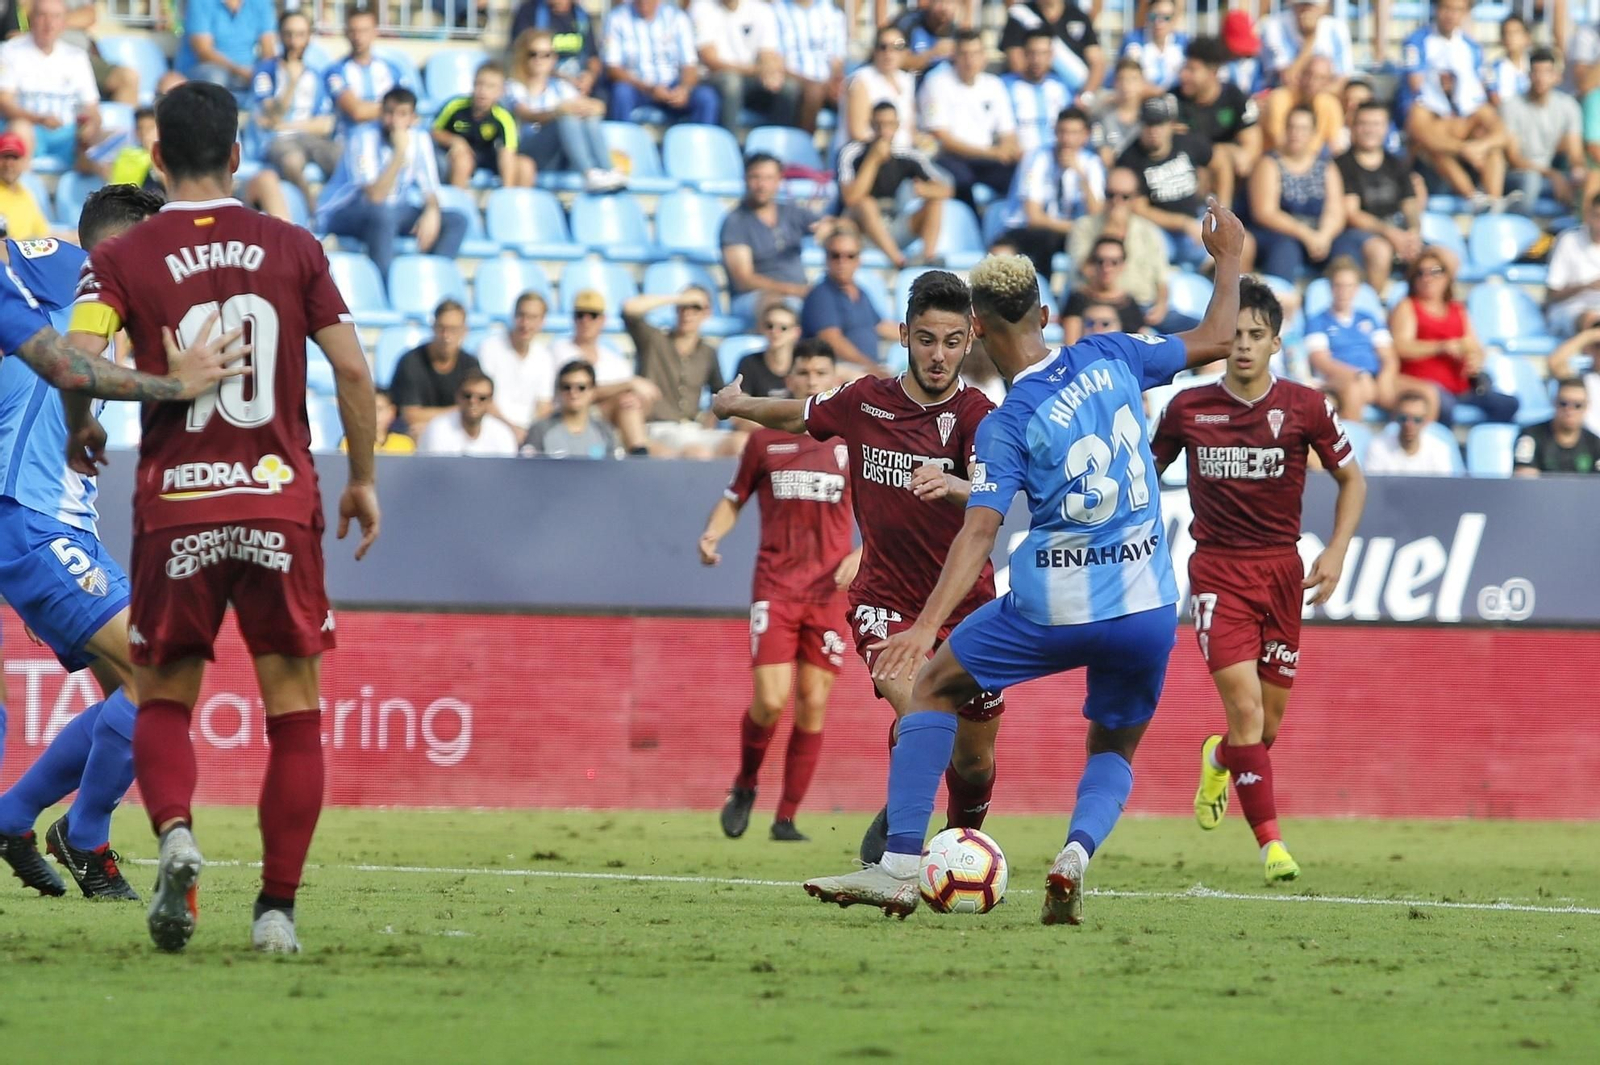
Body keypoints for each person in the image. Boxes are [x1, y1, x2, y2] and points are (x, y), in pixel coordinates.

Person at [793, 204, 1248, 921]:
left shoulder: (1007, 422)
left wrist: (925, 626)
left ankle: (900, 864)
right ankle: (1074, 853)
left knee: (936, 683)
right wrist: (1230, 257)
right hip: (1150, 603)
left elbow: (978, 534)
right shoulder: (1112, 351)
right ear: (1043, 309)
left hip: (1060, 603)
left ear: (975, 329)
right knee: (1113, 742)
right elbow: (1219, 336)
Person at [67, 80, 380, 954]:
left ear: (156, 159)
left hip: (177, 508)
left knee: (163, 695)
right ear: (240, 154)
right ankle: (276, 912)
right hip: (281, 506)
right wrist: (362, 479)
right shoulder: (295, 245)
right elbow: (354, 374)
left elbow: (78, 363)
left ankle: (173, 832)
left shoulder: (123, 255)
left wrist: (85, 427)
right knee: (295, 708)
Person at [712, 270, 1009, 870]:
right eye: (926, 339)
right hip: (887, 601)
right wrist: (738, 405)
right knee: (925, 708)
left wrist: (954, 485)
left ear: (971, 339)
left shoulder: (980, 416)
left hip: (967, 607)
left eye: (952, 342)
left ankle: (958, 850)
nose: (939, 354)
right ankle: (907, 836)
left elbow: (995, 496)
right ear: (904, 334)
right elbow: (800, 414)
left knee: (974, 761)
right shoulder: (865, 399)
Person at [0, 186, 192, 902]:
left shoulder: (95, 317)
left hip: (58, 524)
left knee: (131, 692)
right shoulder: (68, 264)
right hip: (32, 520)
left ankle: (17, 817)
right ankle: (82, 838)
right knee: (156, 675)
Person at [1152, 276, 1366, 885]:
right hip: (1217, 572)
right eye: (1235, 335)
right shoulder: (1187, 408)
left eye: (1255, 335)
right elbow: (1143, 475)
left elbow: (1354, 480)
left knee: (1262, 731)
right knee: (1246, 710)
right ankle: (1272, 845)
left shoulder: (1305, 405)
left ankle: (1217, 758)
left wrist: (1338, 549)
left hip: (1283, 572)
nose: (1243, 345)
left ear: (1275, 342)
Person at [701, 342, 856, 842]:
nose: (811, 380)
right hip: (777, 587)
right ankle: (745, 782)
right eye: (803, 372)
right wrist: (712, 534)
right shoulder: (764, 440)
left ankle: (786, 817)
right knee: (770, 700)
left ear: (834, 379)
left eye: (820, 372)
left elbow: (884, 514)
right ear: (790, 381)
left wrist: (863, 554)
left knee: (812, 700)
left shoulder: (854, 442)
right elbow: (733, 499)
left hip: (829, 591)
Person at [315, 87, 469, 281]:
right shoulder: (363, 138)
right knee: (383, 215)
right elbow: (375, 195)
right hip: (345, 209)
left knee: (457, 220)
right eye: (389, 113)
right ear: (381, 113)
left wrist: (432, 211)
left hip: (393, 209)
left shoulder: (419, 139)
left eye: (402, 114)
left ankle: (434, 279)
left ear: (412, 118)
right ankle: (384, 285)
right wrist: (399, 153)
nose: (394, 121)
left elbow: (430, 187)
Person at [1401, 0, 1510, 211]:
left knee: (1494, 143)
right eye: (1446, 8)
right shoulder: (1417, 42)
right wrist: (1462, 148)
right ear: (1436, 9)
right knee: (1434, 144)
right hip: (1434, 129)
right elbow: (1417, 91)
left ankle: (1494, 204)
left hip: (1460, 125)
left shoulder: (1472, 47)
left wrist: (1478, 146)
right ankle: (1473, 197)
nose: (1451, 15)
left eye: (1458, 10)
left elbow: (1483, 104)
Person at [1389, 251, 1519, 425]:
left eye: (1435, 271)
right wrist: (1440, 347)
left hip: (1460, 386)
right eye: (1421, 273)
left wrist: (1475, 359)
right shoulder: (1408, 306)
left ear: (1446, 277)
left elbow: (1474, 345)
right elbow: (1401, 346)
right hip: (1426, 386)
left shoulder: (1457, 309)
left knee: (1508, 404)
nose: (1428, 278)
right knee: (1444, 406)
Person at [505, 28, 624, 195]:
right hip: (530, 149)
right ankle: (589, 173)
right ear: (523, 56)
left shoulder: (560, 86)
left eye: (546, 54)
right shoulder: (514, 87)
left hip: (559, 152)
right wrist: (557, 112)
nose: (539, 60)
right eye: (533, 54)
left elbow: (590, 106)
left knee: (587, 116)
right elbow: (526, 114)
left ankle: (607, 169)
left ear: (554, 58)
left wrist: (592, 107)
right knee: (566, 118)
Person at [836, 103, 950, 270]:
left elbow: (946, 189)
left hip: (893, 223)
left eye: (889, 124)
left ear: (897, 125)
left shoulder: (906, 155)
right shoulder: (852, 152)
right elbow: (850, 198)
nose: (884, 130)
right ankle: (899, 262)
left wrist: (925, 190)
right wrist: (873, 160)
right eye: (879, 124)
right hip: (860, 230)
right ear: (871, 125)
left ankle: (928, 257)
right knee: (865, 204)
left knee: (935, 202)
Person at [622, 286, 731, 459]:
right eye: (683, 307)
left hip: (693, 429)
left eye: (695, 307)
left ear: (707, 312)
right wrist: (677, 298)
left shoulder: (708, 351)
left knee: (742, 444)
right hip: (659, 427)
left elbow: (719, 392)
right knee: (698, 453)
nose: (687, 313)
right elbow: (629, 309)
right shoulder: (655, 339)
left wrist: (709, 422)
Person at [920, 30, 1022, 211]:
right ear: (954, 56)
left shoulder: (993, 84)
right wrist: (992, 153)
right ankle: (972, 229)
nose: (970, 60)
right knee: (963, 181)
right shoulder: (936, 82)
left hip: (985, 157)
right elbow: (942, 138)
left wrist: (1008, 149)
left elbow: (1008, 131)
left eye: (975, 54)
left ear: (984, 56)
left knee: (1019, 174)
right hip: (949, 157)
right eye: (964, 54)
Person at [999, 106, 1104, 277]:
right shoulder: (1036, 159)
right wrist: (1077, 228)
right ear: (1055, 132)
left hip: (1067, 232)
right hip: (1024, 230)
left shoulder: (1091, 163)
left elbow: (1097, 213)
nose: (1067, 139)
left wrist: (1081, 177)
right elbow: (1034, 218)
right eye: (1063, 132)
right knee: (1046, 239)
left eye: (1074, 133)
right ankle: (1042, 290)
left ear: (1086, 136)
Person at [721, 152, 827, 320]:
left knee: (832, 302)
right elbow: (744, 280)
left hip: (797, 295)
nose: (762, 185)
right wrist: (795, 291)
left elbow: (833, 224)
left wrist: (828, 228)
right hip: (753, 298)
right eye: (755, 177)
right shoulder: (735, 222)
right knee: (776, 308)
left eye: (769, 178)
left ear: (779, 180)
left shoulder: (791, 212)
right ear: (745, 179)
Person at [1333, 100, 1426, 294]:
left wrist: (1413, 233)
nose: (1370, 130)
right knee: (1380, 251)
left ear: (1386, 128)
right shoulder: (1341, 165)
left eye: (1376, 124)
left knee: (1443, 258)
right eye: (1364, 124)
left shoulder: (1397, 163)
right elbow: (1352, 214)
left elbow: (1410, 205)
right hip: (1355, 235)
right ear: (1353, 127)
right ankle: (1375, 307)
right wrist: (1391, 234)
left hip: (1397, 232)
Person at [252, 10, 338, 214]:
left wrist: (289, 125)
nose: (294, 41)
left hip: (311, 138)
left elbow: (325, 125)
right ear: (280, 36)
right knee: (292, 161)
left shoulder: (317, 75)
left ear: (309, 37)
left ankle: (336, 210)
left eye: (300, 34)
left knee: (340, 157)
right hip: (278, 140)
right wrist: (291, 83)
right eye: (289, 34)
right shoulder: (266, 71)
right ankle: (313, 212)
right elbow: (272, 117)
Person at [551, 288, 656, 454]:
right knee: (626, 401)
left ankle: (639, 454)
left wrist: (637, 400)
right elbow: (576, 391)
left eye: (592, 315)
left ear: (602, 320)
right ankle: (639, 457)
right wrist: (629, 384)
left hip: (605, 421)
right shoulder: (559, 350)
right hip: (569, 416)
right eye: (580, 315)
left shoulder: (614, 359)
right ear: (573, 318)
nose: (586, 321)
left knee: (629, 403)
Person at [1248, 104, 1346, 281]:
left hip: (1317, 232)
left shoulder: (1326, 166)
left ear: (1313, 133)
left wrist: (1324, 235)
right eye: (1291, 127)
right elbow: (1265, 212)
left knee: (1345, 248)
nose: (1296, 133)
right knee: (1285, 248)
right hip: (1279, 233)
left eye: (1302, 128)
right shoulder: (1269, 163)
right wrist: (1306, 235)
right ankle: (1280, 296)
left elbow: (1335, 209)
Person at [1119, 94, 1216, 267]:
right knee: (1148, 247)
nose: (1154, 131)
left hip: (1199, 215)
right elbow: (1139, 208)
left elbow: (1218, 163)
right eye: (1148, 125)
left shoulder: (1188, 142)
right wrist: (1183, 223)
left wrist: (1221, 202)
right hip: (1160, 230)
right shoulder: (1130, 159)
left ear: (1171, 125)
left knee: (1236, 243)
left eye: (1159, 124)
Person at [0, 0, 101, 165]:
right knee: (20, 129)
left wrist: (92, 124)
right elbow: (4, 102)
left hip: (68, 134)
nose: (49, 23)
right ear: (31, 18)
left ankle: (107, 189)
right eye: (42, 16)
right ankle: (22, 190)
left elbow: (92, 107)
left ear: (63, 23)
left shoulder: (76, 56)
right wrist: (40, 120)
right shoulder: (10, 51)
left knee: (107, 138)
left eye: (56, 17)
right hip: (31, 130)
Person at [1068, 166, 1172, 326]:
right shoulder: (1084, 227)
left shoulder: (1149, 231)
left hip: (1144, 306)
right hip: (1099, 306)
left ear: (1135, 198)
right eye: (1110, 195)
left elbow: (1162, 279)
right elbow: (1085, 270)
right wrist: (1109, 229)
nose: (1116, 202)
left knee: (1198, 331)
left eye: (1124, 196)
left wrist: (1161, 306)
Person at [1304, 257, 1400, 420]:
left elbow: (1388, 355)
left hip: (1375, 377)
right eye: (1338, 286)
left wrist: (1386, 376)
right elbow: (1321, 361)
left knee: (1425, 393)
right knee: (1354, 390)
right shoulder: (1318, 321)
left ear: (1357, 289)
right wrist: (1358, 375)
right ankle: (1355, 438)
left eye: (1349, 286)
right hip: (1340, 379)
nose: (1343, 291)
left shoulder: (1369, 318)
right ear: (1331, 288)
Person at [1174, 35, 1261, 212]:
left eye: (1192, 70)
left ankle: (1224, 216)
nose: (1184, 75)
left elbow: (1251, 147)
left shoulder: (1235, 98)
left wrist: (1231, 154)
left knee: (1225, 155)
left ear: (1212, 72)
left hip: (1232, 176)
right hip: (1191, 177)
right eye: (1184, 68)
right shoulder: (1174, 100)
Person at [603, 0, 719, 127]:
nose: (644, 3)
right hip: (637, 87)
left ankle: (698, 144)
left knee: (706, 98)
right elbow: (612, 68)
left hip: (672, 85)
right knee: (621, 92)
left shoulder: (677, 18)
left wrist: (684, 89)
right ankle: (622, 144)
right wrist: (650, 89)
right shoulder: (617, 18)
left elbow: (690, 64)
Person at [801, 227, 897, 374]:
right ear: (826, 258)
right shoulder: (820, 295)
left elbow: (881, 326)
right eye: (835, 255)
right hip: (840, 373)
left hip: (865, 371)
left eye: (850, 256)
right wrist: (873, 369)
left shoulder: (861, 293)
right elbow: (832, 341)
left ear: (859, 260)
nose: (842, 261)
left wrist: (917, 335)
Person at [691, 0, 796, 136]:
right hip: (714, 78)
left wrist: (770, 73)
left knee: (788, 88)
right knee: (731, 82)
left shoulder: (762, 9)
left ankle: (775, 149)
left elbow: (768, 52)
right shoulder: (701, 7)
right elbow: (711, 61)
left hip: (751, 79)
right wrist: (758, 70)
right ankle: (728, 145)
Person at [1502, 49, 1585, 212]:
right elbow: (1514, 159)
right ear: (1528, 75)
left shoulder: (1568, 105)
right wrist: (1553, 174)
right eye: (1536, 72)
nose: (1541, 78)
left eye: (1547, 72)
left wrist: (1577, 171)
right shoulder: (1511, 106)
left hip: (1550, 174)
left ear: (1556, 76)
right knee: (1531, 181)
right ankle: (1524, 232)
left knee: (1588, 179)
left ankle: (1580, 232)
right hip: (1518, 174)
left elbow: (1576, 153)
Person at [432, 62, 533, 189]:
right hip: (458, 154)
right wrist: (455, 141)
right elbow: (435, 131)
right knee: (462, 160)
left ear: (501, 91)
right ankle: (458, 204)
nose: (483, 91)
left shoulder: (504, 116)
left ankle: (510, 202)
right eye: (479, 84)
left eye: (491, 87)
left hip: (488, 155)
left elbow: (509, 150)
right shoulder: (455, 105)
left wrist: (508, 186)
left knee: (525, 165)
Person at [389, 300, 483, 436]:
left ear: (464, 331)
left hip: (455, 433)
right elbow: (411, 415)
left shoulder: (470, 364)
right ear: (433, 327)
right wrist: (460, 410)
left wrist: (434, 424)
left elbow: (478, 408)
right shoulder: (411, 361)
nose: (446, 336)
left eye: (453, 329)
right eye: (441, 328)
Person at [325, 4, 417, 138]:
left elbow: (408, 108)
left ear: (375, 32)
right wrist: (393, 110)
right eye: (353, 31)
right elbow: (357, 112)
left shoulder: (392, 69)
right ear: (346, 33)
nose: (358, 37)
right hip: (351, 141)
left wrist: (391, 112)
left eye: (364, 31)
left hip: (388, 138)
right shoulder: (336, 71)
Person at [476, 290, 557, 436]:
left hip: (529, 433)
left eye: (532, 317)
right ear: (513, 316)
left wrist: (531, 433)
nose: (525, 324)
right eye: (521, 315)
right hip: (491, 427)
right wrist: (513, 430)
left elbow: (544, 404)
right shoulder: (489, 348)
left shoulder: (544, 357)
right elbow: (483, 399)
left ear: (542, 321)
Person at [835, 24, 916, 162]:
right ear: (874, 51)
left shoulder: (906, 80)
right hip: (865, 157)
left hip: (901, 156)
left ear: (905, 52)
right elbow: (858, 133)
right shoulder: (861, 81)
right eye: (883, 46)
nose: (889, 53)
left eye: (897, 47)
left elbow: (910, 129)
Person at [1000, 0, 1104, 98]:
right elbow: (1016, 62)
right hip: (1032, 92)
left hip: (1075, 95)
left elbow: (1097, 63)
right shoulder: (1020, 15)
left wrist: (1085, 96)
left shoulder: (1078, 16)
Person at [770, 0, 846, 135]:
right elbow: (777, 61)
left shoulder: (832, 11)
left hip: (827, 81)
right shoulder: (777, 10)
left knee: (850, 93)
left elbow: (838, 59)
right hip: (795, 78)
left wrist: (833, 82)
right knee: (813, 92)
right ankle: (804, 147)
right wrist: (811, 83)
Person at [523, 359, 621, 458]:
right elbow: (529, 468)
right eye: (566, 387)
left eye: (581, 387)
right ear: (558, 390)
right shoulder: (540, 430)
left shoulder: (604, 431)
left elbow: (613, 470)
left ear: (592, 391)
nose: (573, 393)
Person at [176, 0, 275, 93]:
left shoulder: (262, 3)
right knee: (216, 77)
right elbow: (204, 52)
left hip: (248, 71)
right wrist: (242, 72)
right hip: (206, 69)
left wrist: (263, 72)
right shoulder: (200, 2)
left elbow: (268, 49)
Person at [507, 0, 602, 95]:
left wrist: (590, 77)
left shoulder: (581, 15)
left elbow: (593, 57)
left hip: (577, 84)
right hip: (541, 86)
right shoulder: (529, 11)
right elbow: (522, 56)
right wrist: (564, 79)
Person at [1059, 236, 1145, 341]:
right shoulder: (1078, 299)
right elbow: (1071, 344)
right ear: (1092, 263)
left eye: (1114, 262)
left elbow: (1139, 346)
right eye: (1100, 261)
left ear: (1123, 265)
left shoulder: (1129, 302)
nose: (1106, 268)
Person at [417, 369, 520, 457]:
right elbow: (435, 473)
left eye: (482, 398)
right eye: (467, 396)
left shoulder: (502, 434)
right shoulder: (438, 429)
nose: (473, 401)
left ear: (490, 401)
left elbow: (506, 475)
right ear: (457, 396)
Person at [1005, 29, 1075, 156]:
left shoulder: (1062, 87)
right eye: (1032, 53)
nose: (1037, 60)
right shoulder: (1005, 86)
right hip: (1017, 161)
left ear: (1051, 55)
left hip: (1056, 161)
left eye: (1043, 53)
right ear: (1024, 54)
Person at [1259, 0, 1353, 91]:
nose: (1306, 10)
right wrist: (1310, 38)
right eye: (1302, 4)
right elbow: (1288, 79)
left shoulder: (1337, 28)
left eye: (1312, 5)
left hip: (1325, 92)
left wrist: (1318, 93)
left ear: (1325, 6)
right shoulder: (1275, 26)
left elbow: (1342, 79)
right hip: (1285, 91)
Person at [1261, 54, 1345, 155]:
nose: (1312, 81)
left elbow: (1335, 145)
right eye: (1308, 74)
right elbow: (1280, 141)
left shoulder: (1330, 104)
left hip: (1309, 162)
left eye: (1320, 78)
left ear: (1328, 82)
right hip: (1274, 158)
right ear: (1300, 74)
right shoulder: (1279, 98)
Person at [1514, 379, 1600, 475]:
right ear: (1554, 402)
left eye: (1578, 405)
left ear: (1587, 407)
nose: (1569, 410)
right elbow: (1524, 480)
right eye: (1563, 403)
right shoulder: (1530, 436)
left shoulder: (1596, 443)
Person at [1364, 394, 1459, 475]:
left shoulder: (1439, 450)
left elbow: (1444, 490)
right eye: (1403, 418)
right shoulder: (1378, 447)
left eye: (1417, 419)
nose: (1409, 424)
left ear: (1426, 421)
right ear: (1395, 418)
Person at [1546, 195, 1600, 334]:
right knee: (1591, 319)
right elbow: (1553, 295)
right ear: (1588, 214)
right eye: (1597, 216)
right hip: (1568, 309)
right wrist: (1587, 286)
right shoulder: (1568, 240)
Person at [736, 301, 804, 398]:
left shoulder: (804, 363)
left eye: (783, 328)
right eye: (769, 326)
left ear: (796, 332)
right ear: (761, 328)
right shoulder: (749, 363)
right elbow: (740, 404)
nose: (775, 332)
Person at [1090, 57, 1147, 168]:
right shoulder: (1102, 116)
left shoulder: (1148, 116)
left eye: (1133, 79)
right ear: (1115, 83)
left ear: (1142, 83)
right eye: (1121, 79)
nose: (1127, 85)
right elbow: (1102, 151)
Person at [1118, 0, 1187, 92]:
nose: (1158, 22)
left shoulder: (1183, 43)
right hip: (1141, 99)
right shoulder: (1133, 40)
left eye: (1166, 17)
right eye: (1153, 16)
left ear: (1174, 19)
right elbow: (1126, 77)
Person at [0, 133, 49, 240]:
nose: (9, 164)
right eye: (5, 157)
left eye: (14, 158)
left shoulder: (26, 194)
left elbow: (43, 234)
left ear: (23, 162)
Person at [892, 0, 958, 78]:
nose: (944, 8)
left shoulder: (956, 32)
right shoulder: (909, 23)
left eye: (949, 3)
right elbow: (895, 61)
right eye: (939, 2)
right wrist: (932, 54)